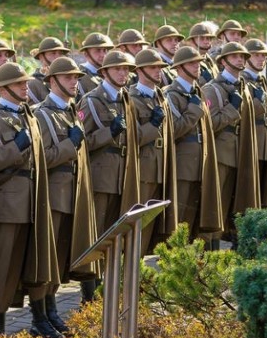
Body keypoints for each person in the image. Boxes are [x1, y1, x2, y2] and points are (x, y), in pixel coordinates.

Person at [0, 63, 58, 337]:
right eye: (19, 83)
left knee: (14, 272)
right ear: (4, 88)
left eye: (25, 82)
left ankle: (7, 322)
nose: (26, 87)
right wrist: (15, 148)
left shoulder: (28, 116)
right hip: (5, 206)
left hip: (28, 203)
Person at [32, 57, 98, 338]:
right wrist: (68, 145)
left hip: (72, 194)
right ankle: (39, 317)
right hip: (53, 196)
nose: (75, 81)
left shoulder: (70, 111)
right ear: (53, 81)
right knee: (46, 259)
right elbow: (40, 158)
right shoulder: (41, 114)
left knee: (59, 259)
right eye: (69, 77)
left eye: (76, 77)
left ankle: (51, 310)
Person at [77, 50, 140, 302]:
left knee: (115, 234)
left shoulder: (126, 98)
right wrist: (109, 133)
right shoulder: (92, 101)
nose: (123, 73)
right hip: (101, 176)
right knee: (97, 236)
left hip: (121, 175)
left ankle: (109, 287)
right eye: (117, 69)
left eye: (126, 69)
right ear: (104, 72)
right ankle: (90, 294)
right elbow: (83, 142)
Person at [202, 42, 259, 249]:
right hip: (222, 153)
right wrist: (232, 108)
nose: (240, 59)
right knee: (219, 203)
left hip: (241, 150)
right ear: (223, 61)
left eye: (242, 56)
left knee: (240, 200)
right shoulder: (212, 89)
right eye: (234, 56)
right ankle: (212, 249)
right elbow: (211, 123)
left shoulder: (244, 86)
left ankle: (237, 242)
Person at [164, 46, 222, 242]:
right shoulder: (171, 94)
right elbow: (175, 129)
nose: (197, 66)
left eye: (198, 62)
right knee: (179, 215)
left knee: (194, 214)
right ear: (179, 68)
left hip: (200, 160)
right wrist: (194, 109)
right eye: (191, 63)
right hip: (183, 163)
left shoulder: (197, 91)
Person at [128, 48, 178, 254]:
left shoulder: (160, 96)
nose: (158, 71)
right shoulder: (132, 98)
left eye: (160, 67)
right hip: (145, 169)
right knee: (139, 223)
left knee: (156, 226)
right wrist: (153, 124)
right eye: (153, 67)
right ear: (140, 71)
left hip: (161, 166)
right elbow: (133, 138)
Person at [241, 39, 267, 208]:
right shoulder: (243, 81)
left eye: (264, 56)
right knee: (249, 186)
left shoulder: (261, 81)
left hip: (265, 138)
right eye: (256, 55)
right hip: (251, 139)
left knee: (263, 184)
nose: (261, 59)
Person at [28, 37, 70, 105]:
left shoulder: (68, 78)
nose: (57, 57)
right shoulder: (32, 83)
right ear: (41, 57)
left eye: (60, 53)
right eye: (53, 53)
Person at [76, 32, 114, 102]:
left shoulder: (111, 73)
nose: (103, 55)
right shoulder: (79, 77)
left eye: (105, 50)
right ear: (86, 54)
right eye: (98, 50)